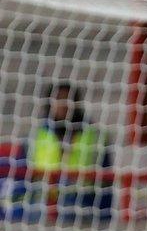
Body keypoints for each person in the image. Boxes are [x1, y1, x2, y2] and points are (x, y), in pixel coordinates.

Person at [20, 82, 112, 222]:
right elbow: (25, 175)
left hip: (83, 200)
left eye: (67, 99)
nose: (63, 104)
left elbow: (106, 179)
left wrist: (105, 214)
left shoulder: (95, 135)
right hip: (44, 201)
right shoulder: (36, 135)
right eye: (58, 99)